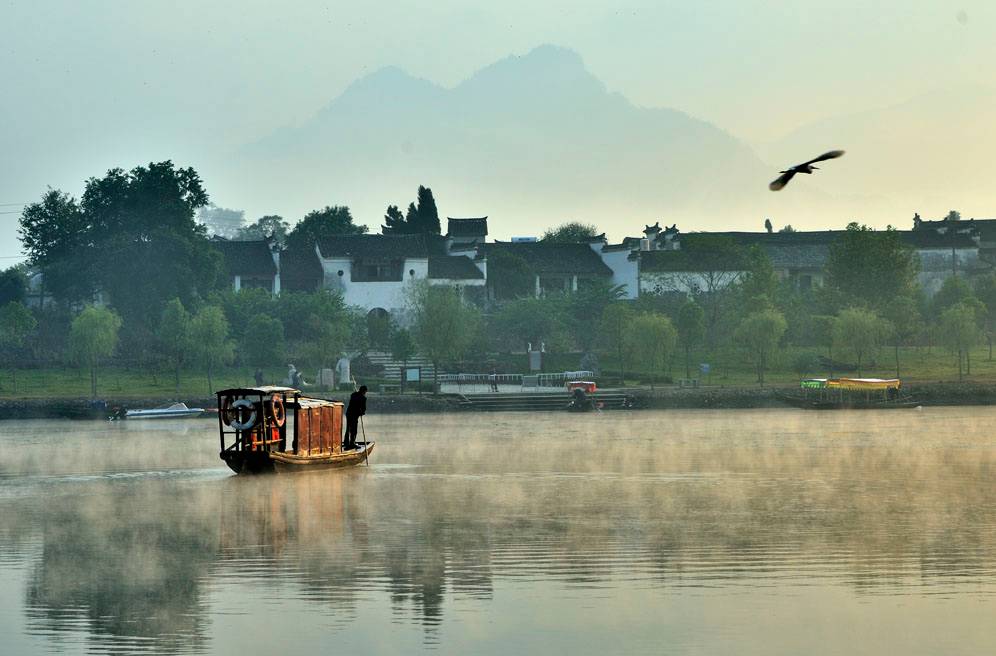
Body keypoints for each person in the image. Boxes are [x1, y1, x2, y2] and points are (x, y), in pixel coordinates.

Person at [344, 385, 367, 450]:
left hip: (348, 413)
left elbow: (353, 401)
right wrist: (362, 413)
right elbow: (363, 410)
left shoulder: (353, 395)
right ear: (364, 391)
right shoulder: (363, 398)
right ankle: (352, 443)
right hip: (354, 415)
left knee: (348, 428)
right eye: (365, 392)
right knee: (354, 429)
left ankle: (346, 442)